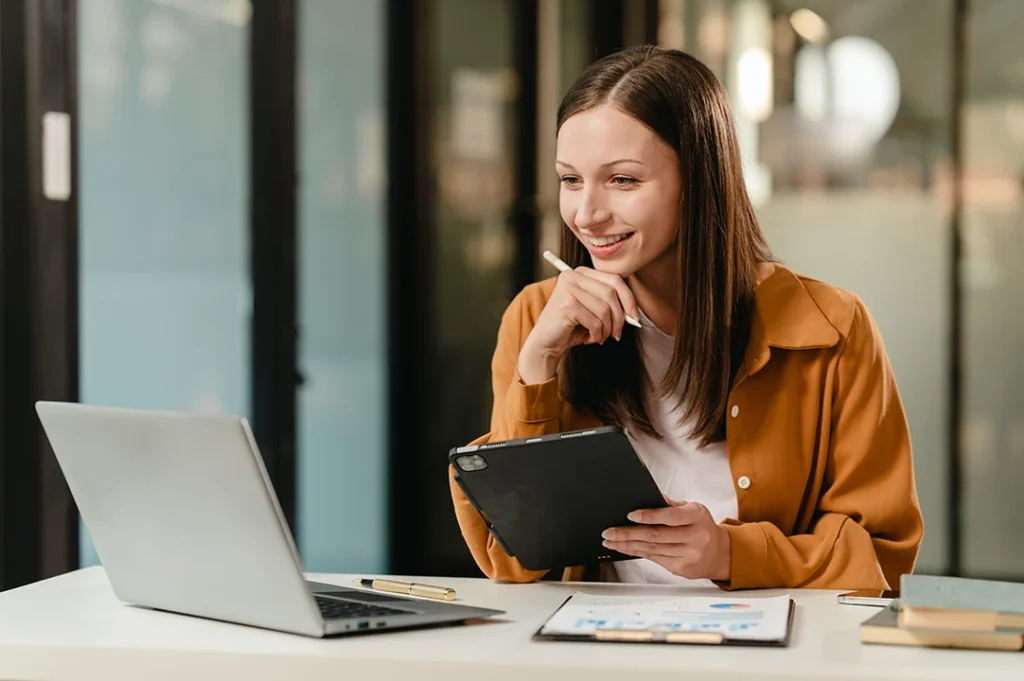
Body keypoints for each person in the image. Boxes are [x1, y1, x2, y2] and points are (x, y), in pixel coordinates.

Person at [449, 45, 924, 590]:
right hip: (592, 654)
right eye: (571, 180)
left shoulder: (832, 327)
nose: (586, 214)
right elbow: (509, 561)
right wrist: (538, 366)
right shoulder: (536, 318)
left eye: (623, 180)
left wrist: (730, 553)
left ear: (701, 179)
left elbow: (882, 555)